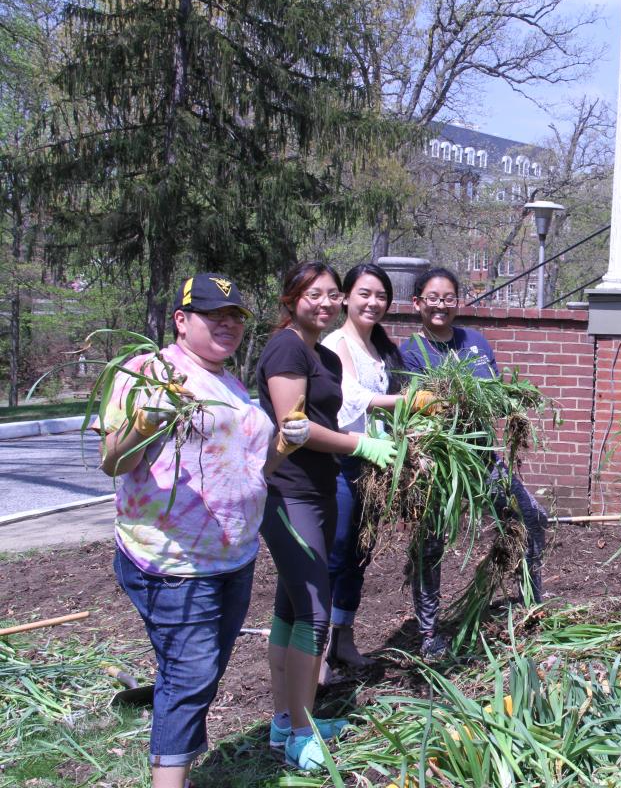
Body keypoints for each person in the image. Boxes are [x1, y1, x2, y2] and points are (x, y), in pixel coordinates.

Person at [102, 274, 309, 788]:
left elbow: (256, 469)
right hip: (172, 560)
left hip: (232, 556)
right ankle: (169, 779)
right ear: (181, 320)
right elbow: (112, 459)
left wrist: (287, 441)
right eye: (213, 314)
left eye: (235, 315)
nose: (227, 323)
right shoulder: (149, 372)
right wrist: (146, 420)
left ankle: (177, 764)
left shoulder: (230, 383)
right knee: (190, 675)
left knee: (200, 672)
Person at [256, 262, 397, 771]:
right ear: (292, 297)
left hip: (320, 490)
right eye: (313, 294)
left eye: (331, 294)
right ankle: (299, 733)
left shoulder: (324, 358)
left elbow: (328, 418)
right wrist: (362, 443)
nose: (325, 302)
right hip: (289, 492)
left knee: (291, 611)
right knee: (315, 612)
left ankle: (287, 721)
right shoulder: (287, 347)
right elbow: (294, 428)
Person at [398, 267, 548, 658]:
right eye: (433, 298)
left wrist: (511, 399)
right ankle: (429, 633)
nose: (441, 306)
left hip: (482, 457)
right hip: (437, 462)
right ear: (417, 303)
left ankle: (531, 601)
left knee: (528, 516)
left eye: (449, 298)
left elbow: (494, 393)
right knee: (429, 544)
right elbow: (419, 411)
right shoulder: (411, 351)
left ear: (458, 302)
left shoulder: (475, 341)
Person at [319, 263, 404, 672]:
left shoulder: (381, 349)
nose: (373, 302)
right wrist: (405, 402)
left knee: (358, 555)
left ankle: (343, 641)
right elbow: (350, 396)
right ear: (347, 297)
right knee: (335, 555)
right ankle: (315, 654)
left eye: (381, 296)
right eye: (365, 293)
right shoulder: (336, 342)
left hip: (374, 464)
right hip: (343, 460)